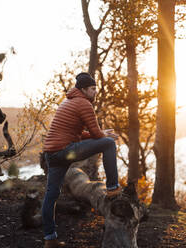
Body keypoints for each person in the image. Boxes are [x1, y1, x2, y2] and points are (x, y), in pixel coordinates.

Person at [41, 72, 121, 248]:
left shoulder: (69, 101)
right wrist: (104, 135)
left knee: (51, 195)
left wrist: (101, 134)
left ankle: (50, 239)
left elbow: (78, 134)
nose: (95, 92)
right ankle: (113, 189)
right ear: (84, 89)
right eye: (93, 89)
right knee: (108, 144)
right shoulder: (84, 104)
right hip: (64, 151)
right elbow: (96, 134)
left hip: (52, 154)